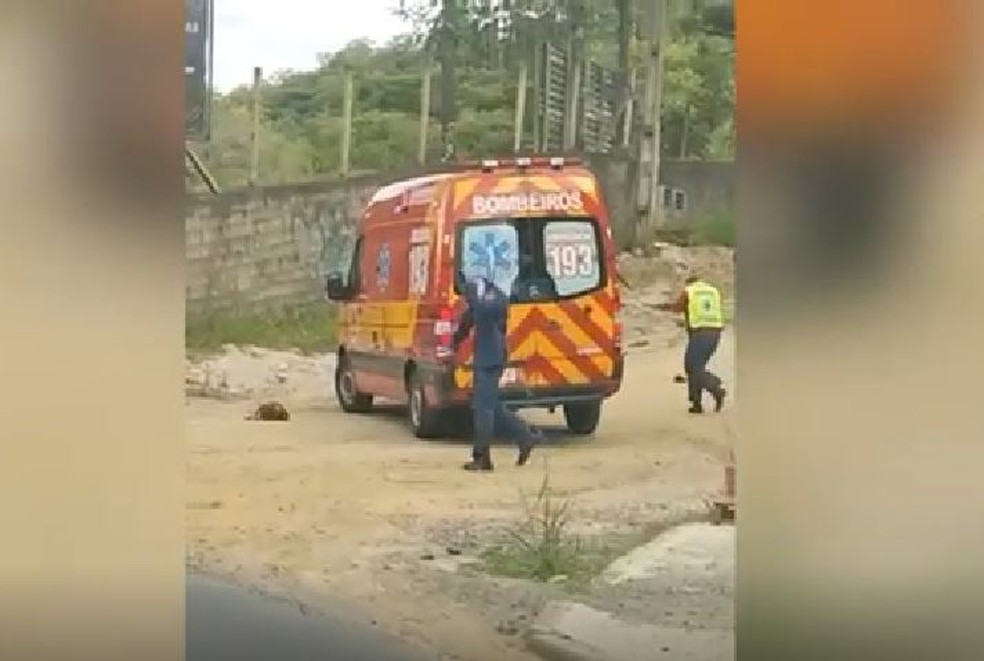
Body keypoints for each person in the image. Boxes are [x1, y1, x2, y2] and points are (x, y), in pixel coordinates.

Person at [452, 273, 539, 471]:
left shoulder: (492, 299)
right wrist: (456, 340)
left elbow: (484, 313)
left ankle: (482, 458)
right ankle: (525, 436)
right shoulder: (486, 296)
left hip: (490, 359)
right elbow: (469, 319)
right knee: (491, 407)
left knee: (483, 409)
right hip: (489, 357)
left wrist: (477, 300)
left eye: (468, 295)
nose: (466, 298)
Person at [658, 275, 727, 413]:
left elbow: (678, 307)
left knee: (693, 367)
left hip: (701, 333)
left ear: (688, 283)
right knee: (695, 368)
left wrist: (664, 307)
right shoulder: (713, 290)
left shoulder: (689, 291)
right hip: (715, 333)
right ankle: (696, 404)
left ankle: (716, 387)